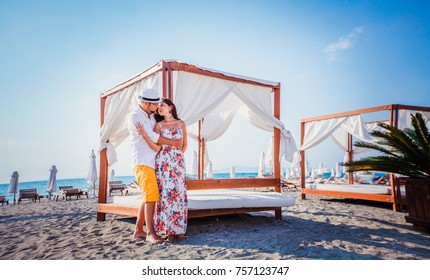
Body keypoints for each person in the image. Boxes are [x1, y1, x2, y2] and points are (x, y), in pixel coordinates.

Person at [128, 88, 182, 243]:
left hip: (152, 162)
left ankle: (139, 230)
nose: (158, 106)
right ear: (146, 103)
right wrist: (173, 143)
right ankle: (150, 233)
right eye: (155, 104)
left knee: (148, 196)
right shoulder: (134, 117)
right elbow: (152, 136)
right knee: (151, 195)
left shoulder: (150, 116)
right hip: (142, 162)